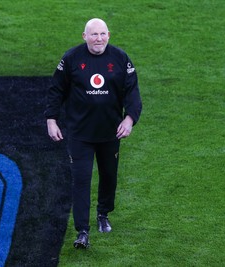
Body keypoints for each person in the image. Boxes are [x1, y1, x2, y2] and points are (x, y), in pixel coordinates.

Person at [45, 18, 142, 249]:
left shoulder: (120, 59)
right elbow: (55, 90)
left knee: (109, 176)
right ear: (84, 36)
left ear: (109, 34)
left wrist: (129, 119)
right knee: (81, 181)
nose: (98, 39)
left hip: (111, 133)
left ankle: (103, 214)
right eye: (93, 34)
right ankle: (82, 231)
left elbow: (133, 93)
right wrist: (51, 120)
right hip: (80, 134)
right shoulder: (71, 59)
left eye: (102, 34)